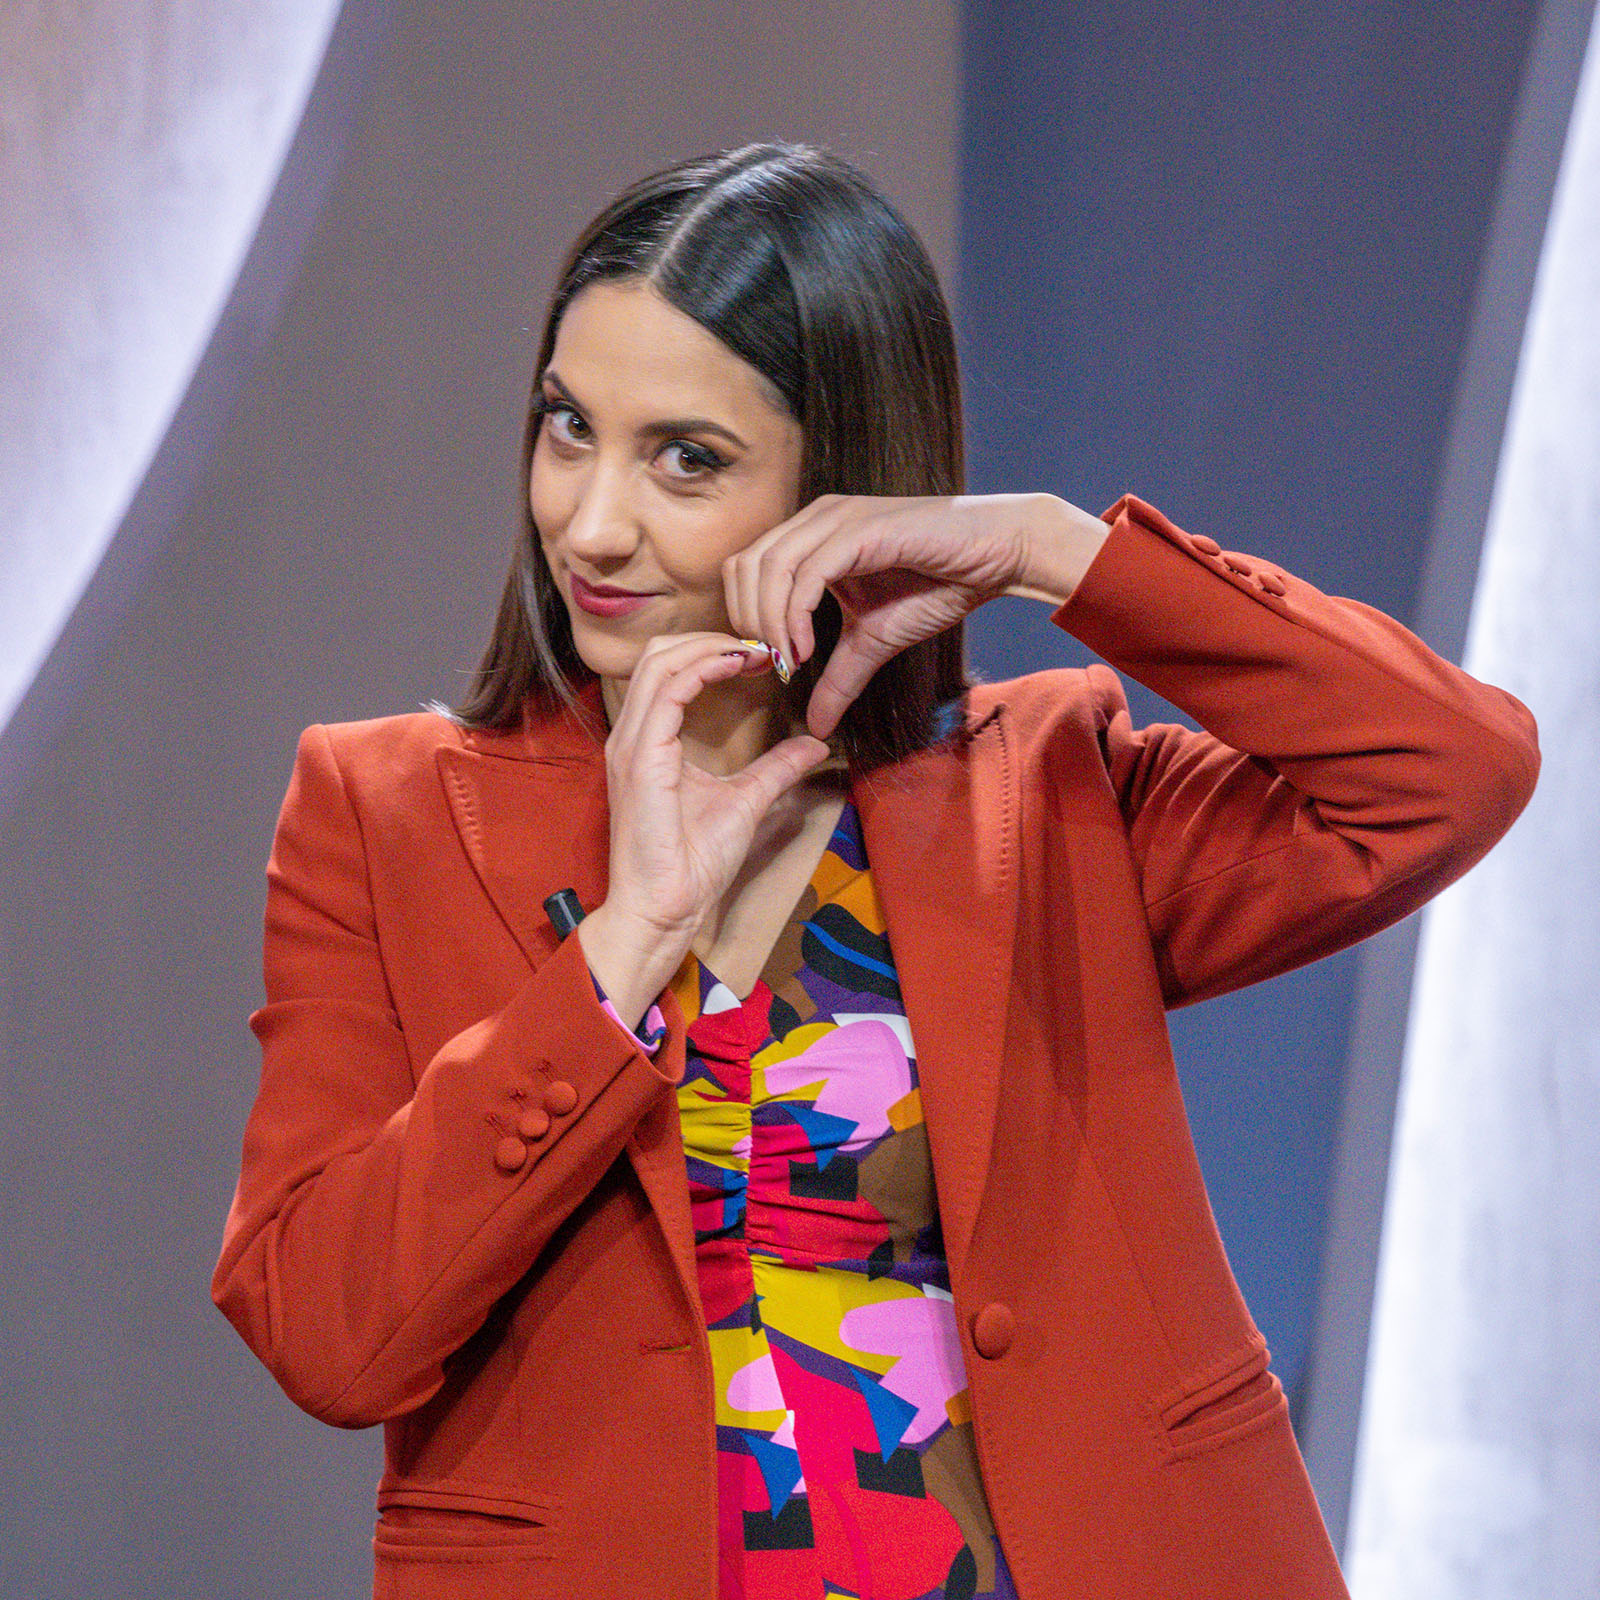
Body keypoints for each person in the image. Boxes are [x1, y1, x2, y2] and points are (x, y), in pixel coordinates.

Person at [211, 142, 1539, 1600]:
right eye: (569, 428)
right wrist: (625, 946)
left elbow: (1450, 771)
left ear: (837, 485)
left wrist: (1057, 551)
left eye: (687, 459)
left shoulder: (1043, 799)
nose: (591, 521)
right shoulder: (385, 810)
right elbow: (327, 1334)